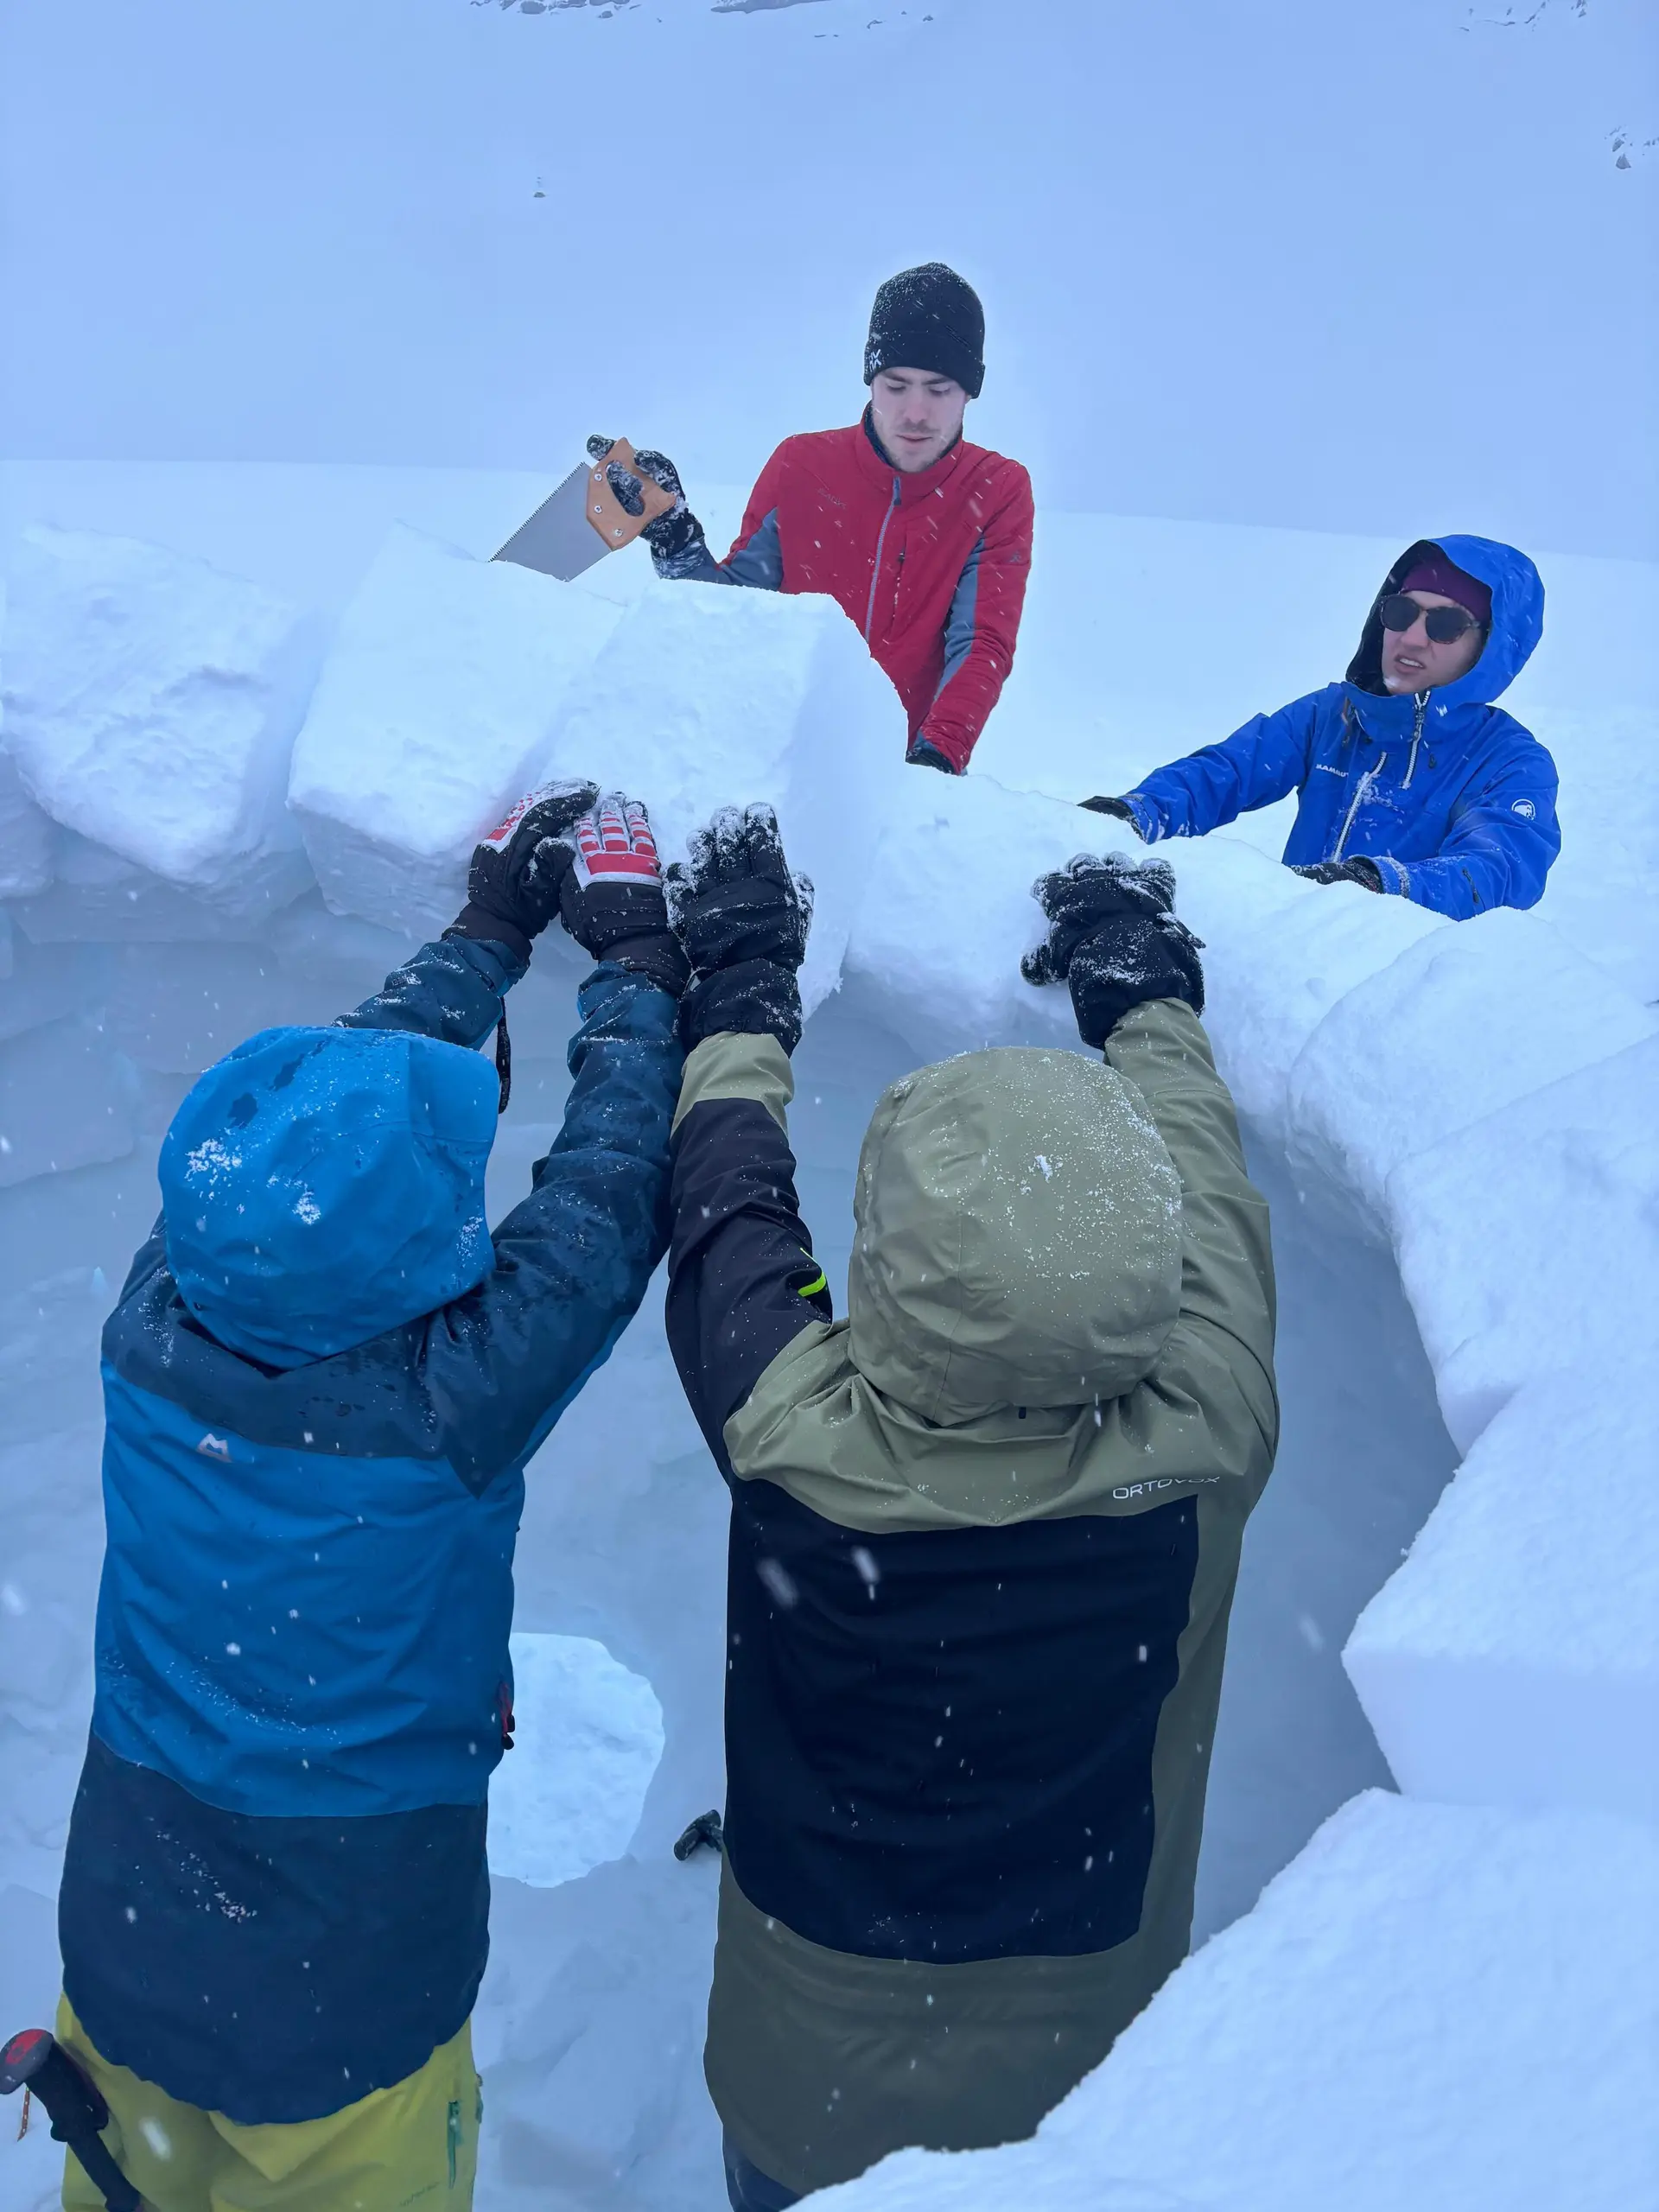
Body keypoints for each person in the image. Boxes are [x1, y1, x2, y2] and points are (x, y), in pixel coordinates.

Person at [51, 788, 687, 2212]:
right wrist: (637, 971)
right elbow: (604, 1201)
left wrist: (484, 931)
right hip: (351, 1994)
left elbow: (297, 1129)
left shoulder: (158, 1313)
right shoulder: (447, 1402)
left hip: (132, 1933)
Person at [659, 809, 1277, 2206]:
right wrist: (1141, 990)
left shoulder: (791, 1429)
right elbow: (1217, 1196)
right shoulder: (1211, 1430)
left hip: (797, 2076)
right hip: (1078, 2085)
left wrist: (747, 979)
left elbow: (728, 1192)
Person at [592, 262, 1035, 776]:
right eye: (896, 385)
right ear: (871, 380)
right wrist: (676, 541)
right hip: (772, 767)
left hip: (906, 774)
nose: (915, 412)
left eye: (938, 389)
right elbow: (734, 614)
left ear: (968, 391)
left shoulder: (997, 489)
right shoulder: (802, 466)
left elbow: (980, 643)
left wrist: (935, 758)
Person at [1082, 537, 1560, 918]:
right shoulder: (1334, 716)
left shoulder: (1509, 762)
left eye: (1445, 625)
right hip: (1299, 963)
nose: (1412, 637)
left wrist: (1377, 884)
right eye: (1401, 612)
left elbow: (1498, 870)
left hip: (1412, 995)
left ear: (1490, 647)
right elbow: (1226, 772)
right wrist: (1133, 815)